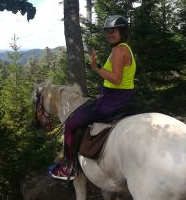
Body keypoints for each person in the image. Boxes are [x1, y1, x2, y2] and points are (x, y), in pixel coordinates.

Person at [49, 15, 136, 180]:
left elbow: (116, 79)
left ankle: (69, 167)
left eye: (113, 31)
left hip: (113, 99)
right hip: (122, 96)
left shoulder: (119, 50)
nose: (110, 34)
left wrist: (96, 67)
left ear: (122, 32)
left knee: (71, 123)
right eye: (107, 32)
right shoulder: (125, 48)